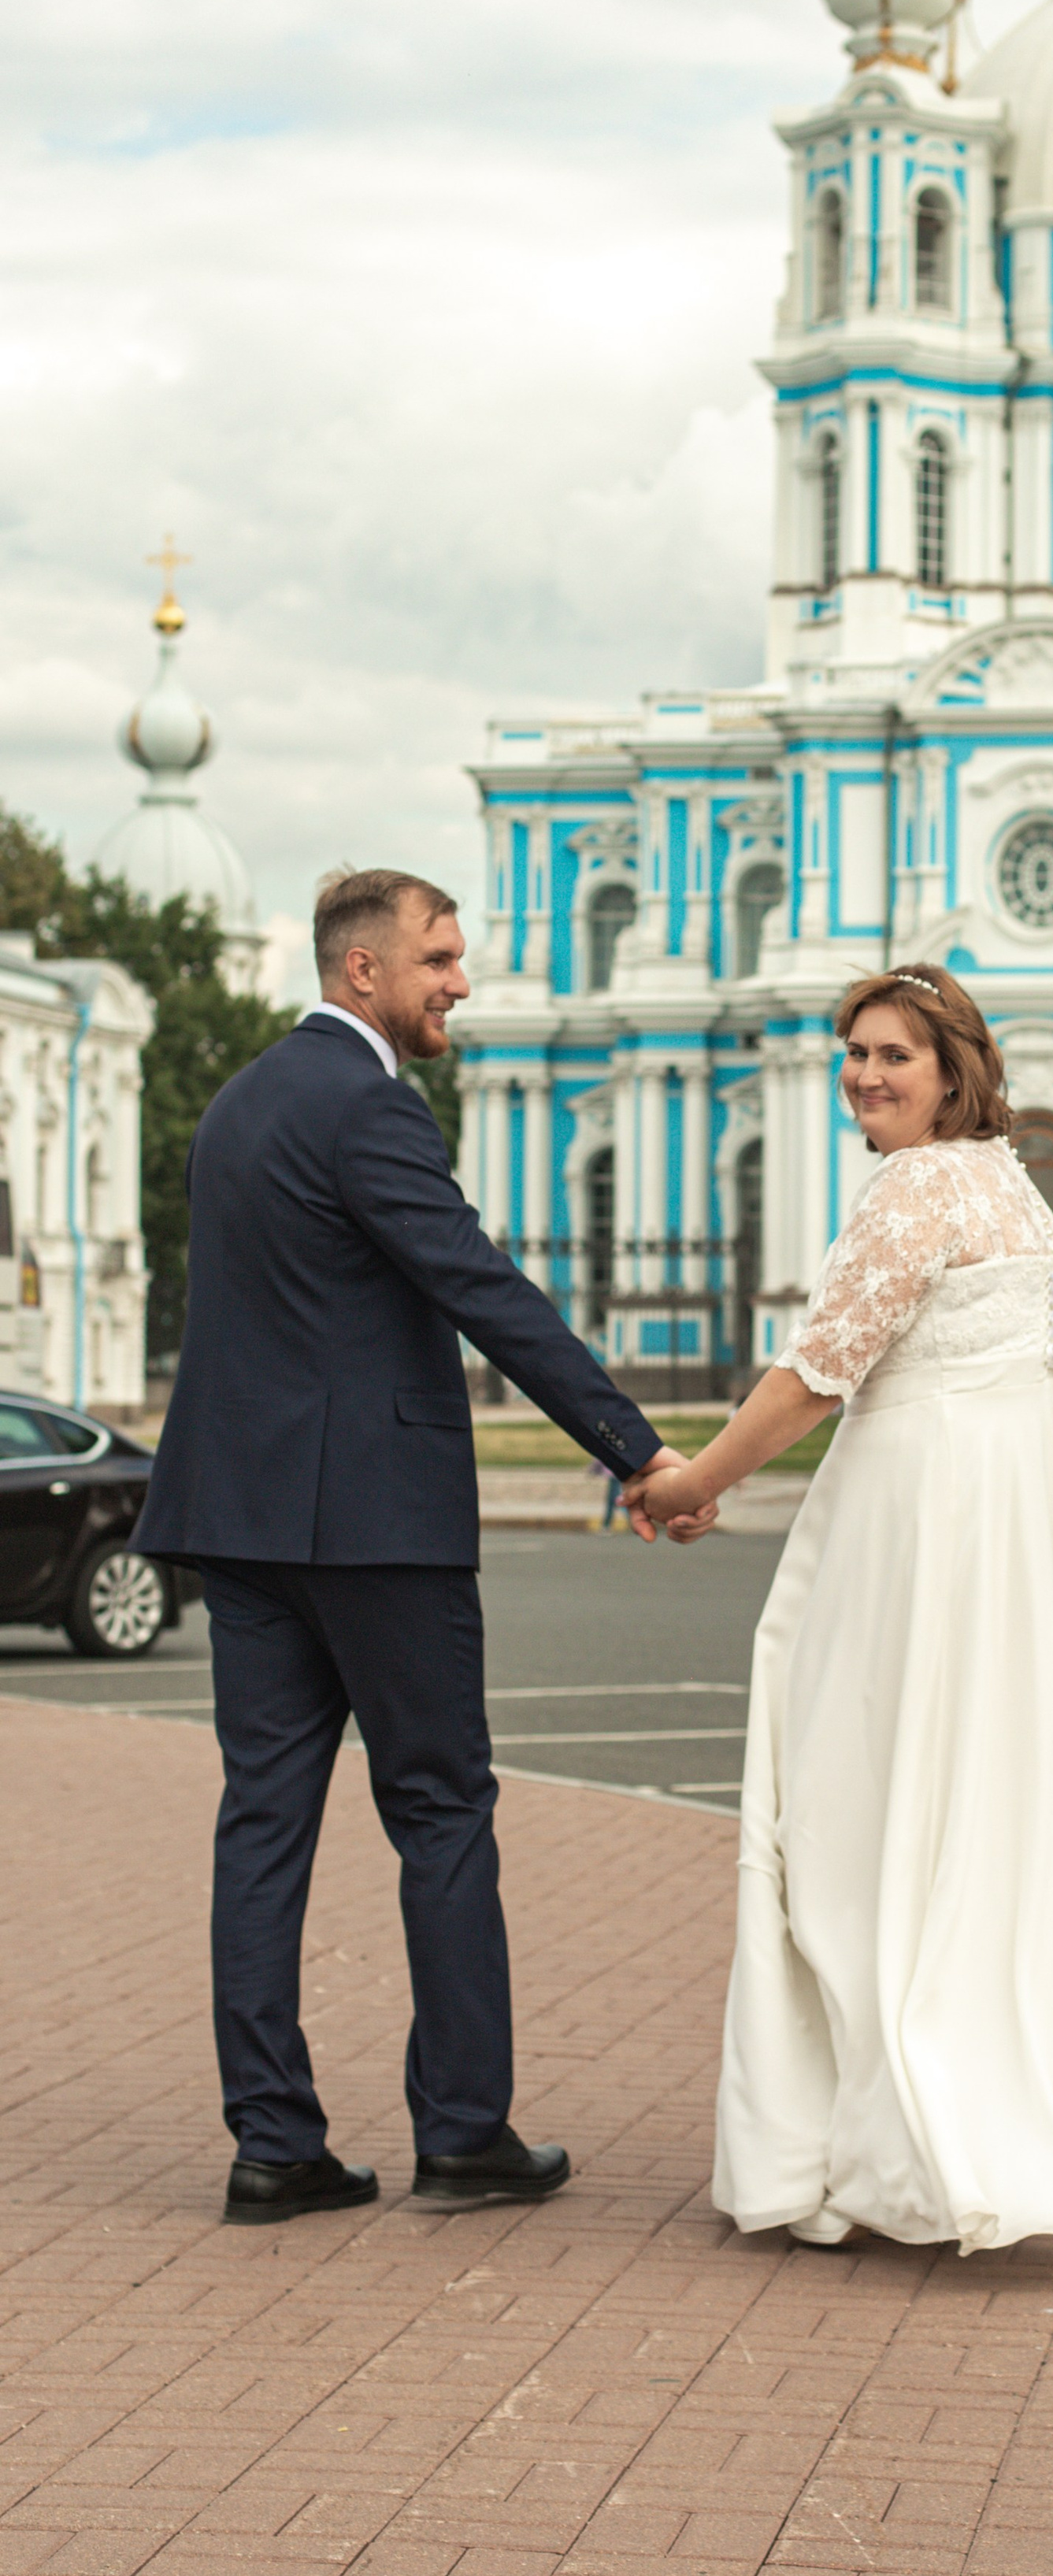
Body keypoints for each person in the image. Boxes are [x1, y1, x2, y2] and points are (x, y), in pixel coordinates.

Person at [139, 867, 703, 2228]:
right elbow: (479, 1287)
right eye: (439, 959)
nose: (460, 981)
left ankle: (274, 2146)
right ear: (364, 972)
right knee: (442, 1812)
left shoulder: (238, 1103)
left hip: (241, 1519)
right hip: (378, 1525)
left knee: (261, 1824)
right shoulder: (372, 1106)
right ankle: (462, 2132)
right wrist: (637, 1449)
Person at [625, 963, 1053, 2267]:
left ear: (953, 1068)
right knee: (979, 1803)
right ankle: (983, 2124)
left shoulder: (915, 1187)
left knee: (857, 1801)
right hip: (1008, 1534)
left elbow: (816, 1375)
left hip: (920, 1523)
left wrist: (691, 1482)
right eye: (854, 1053)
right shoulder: (1017, 1190)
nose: (864, 1075)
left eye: (893, 1055)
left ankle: (889, 2140)